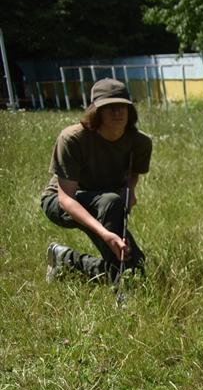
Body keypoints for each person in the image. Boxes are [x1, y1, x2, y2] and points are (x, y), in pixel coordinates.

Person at [42, 78, 151, 282]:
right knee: (110, 202)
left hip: (108, 203)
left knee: (136, 269)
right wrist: (105, 234)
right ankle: (122, 283)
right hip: (61, 201)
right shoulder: (72, 139)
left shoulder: (140, 143)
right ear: (96, 111)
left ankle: (66, 259)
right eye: (109, 107)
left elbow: (132, 174)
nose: (117, 112)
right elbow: (66, 199)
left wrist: (130, 190)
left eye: (122, 106)